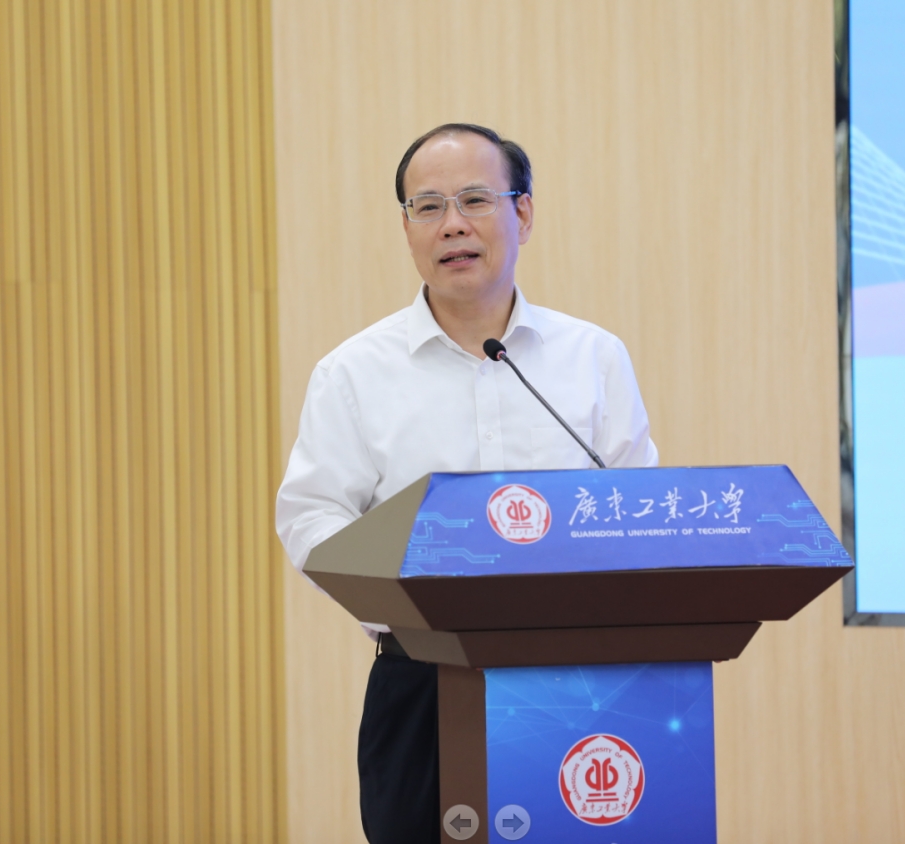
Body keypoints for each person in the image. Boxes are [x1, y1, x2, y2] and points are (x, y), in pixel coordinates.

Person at [276, 123, 658, 843]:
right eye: (428, 207)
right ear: (407, 229)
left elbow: (636, 511)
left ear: (524, 212)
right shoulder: (354, 373)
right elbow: (312, 518)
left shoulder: (593, 358)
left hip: (575, 682)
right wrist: (402, 601)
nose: (452, 224)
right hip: (422, 680)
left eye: (476, 200)